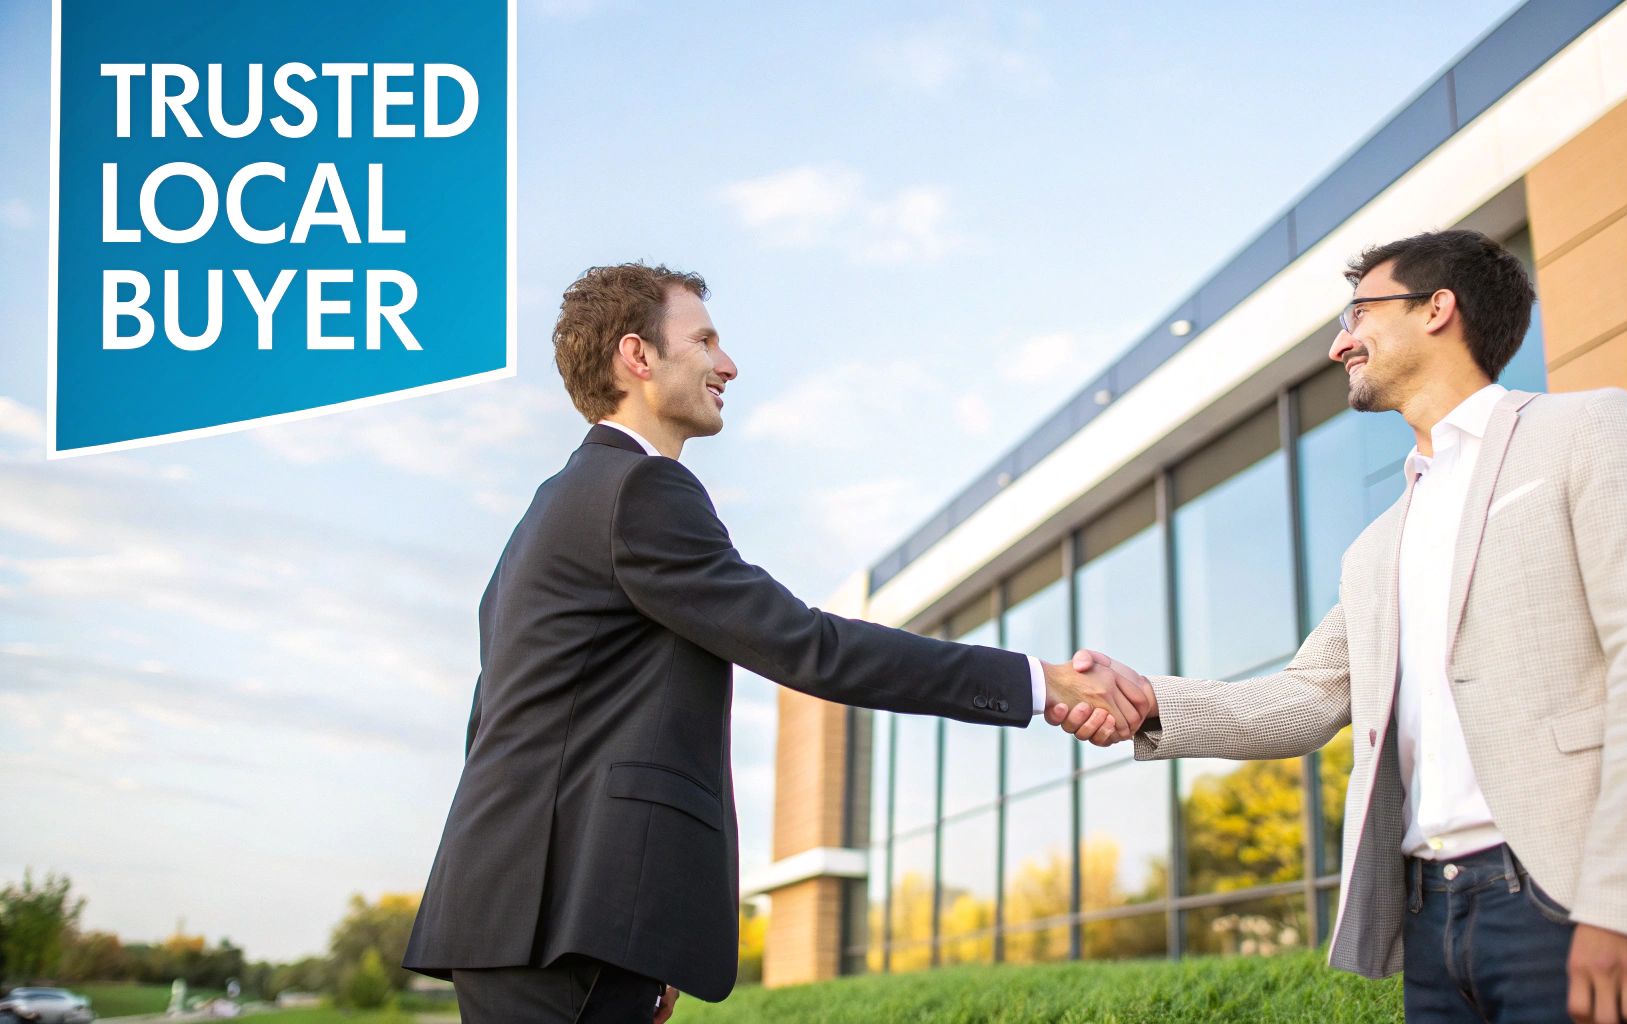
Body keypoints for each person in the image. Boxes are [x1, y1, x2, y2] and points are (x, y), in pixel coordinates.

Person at [401, 263, 1148, 1023]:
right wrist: (1044, 682)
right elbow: (809, 647)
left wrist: (636, 920)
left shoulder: (548, 510)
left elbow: (496, 720)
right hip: (565, 922)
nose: (727, 365)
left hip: (519, 906)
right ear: (637, 356)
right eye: (704, 341)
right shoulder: (640, 490)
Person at [1053, 230, 1627, 1024]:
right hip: (1433, 920)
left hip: (1569, 893)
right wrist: (1148, 699)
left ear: (1437, 309)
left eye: (1358, 314)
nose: (1339, 344)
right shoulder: (1378, 546)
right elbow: (1308, 695)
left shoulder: (1588, 431)